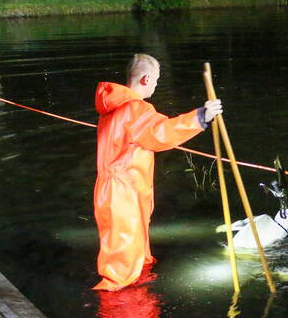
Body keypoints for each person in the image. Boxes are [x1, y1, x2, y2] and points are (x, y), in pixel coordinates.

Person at [94, 53, 222, 291]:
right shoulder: (135, 108)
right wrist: (201, 117)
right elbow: (160, 133)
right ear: (145, 79)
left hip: (122, 188)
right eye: (156, 80)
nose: (155, 85)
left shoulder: (114, 108)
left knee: (134, 252)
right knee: (119, 270)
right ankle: (117, 308)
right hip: (123, 193)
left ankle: (139, 293)